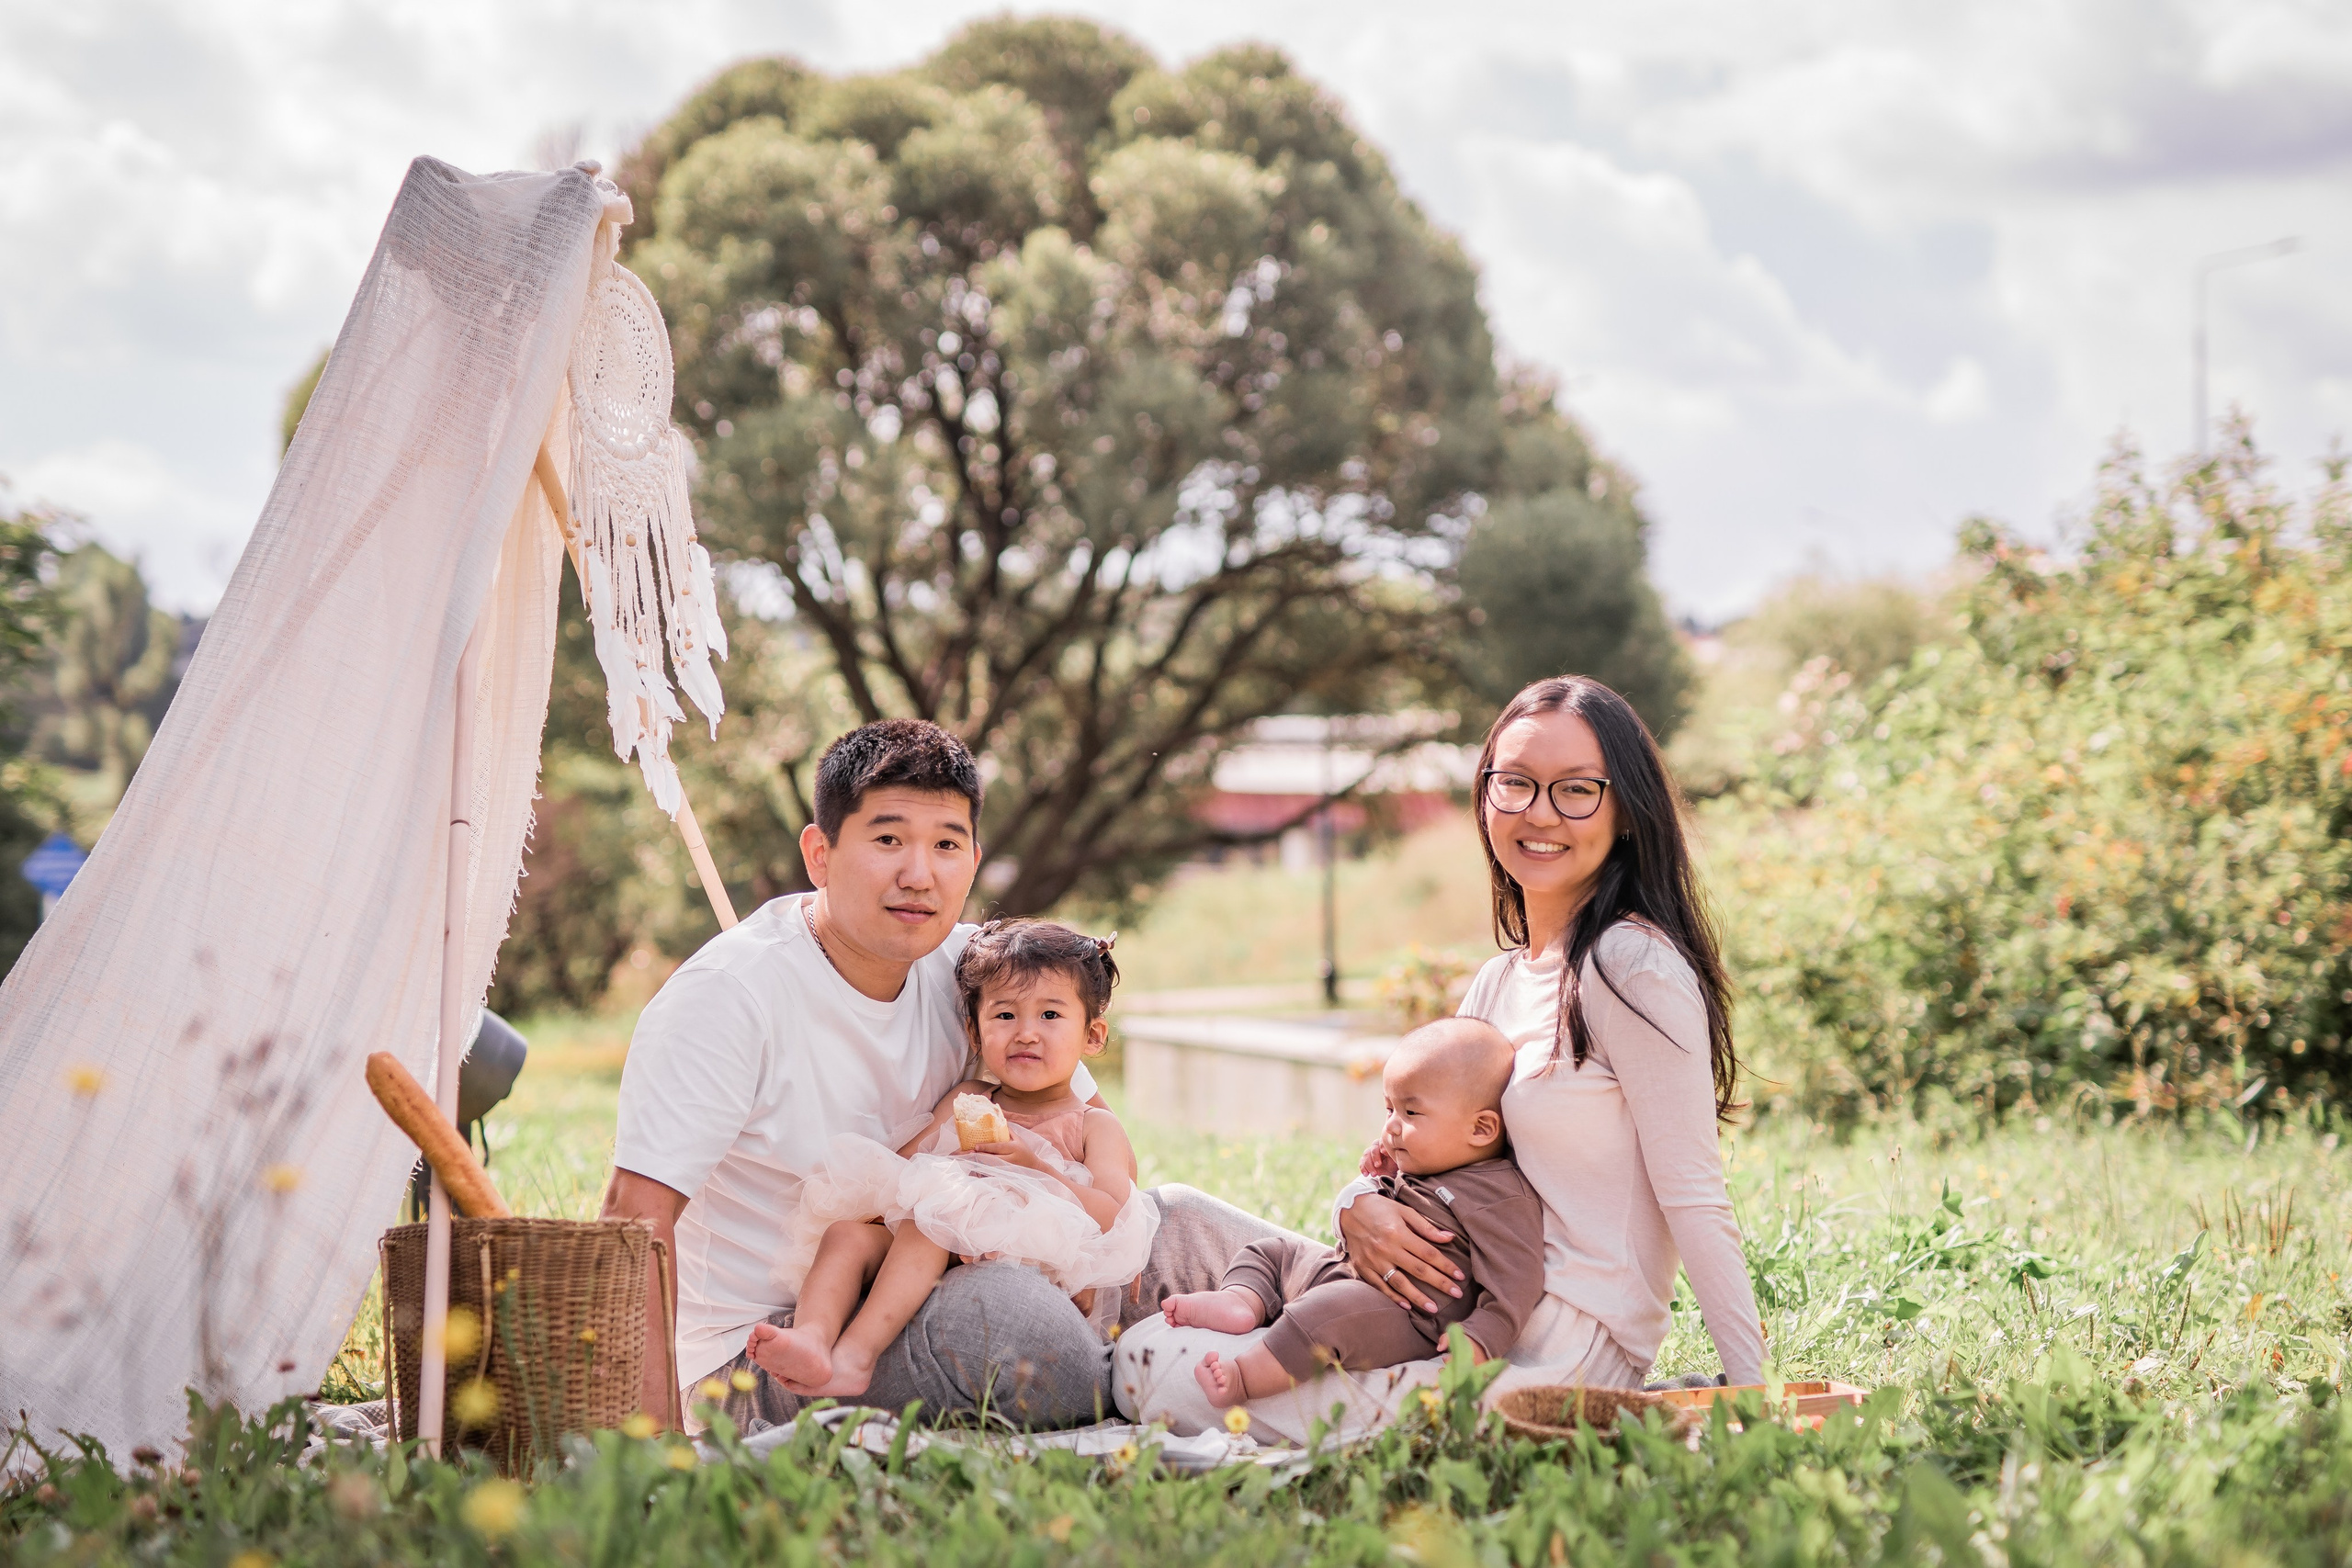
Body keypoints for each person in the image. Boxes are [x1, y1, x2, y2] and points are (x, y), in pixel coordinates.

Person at [602, 716, 1275, 1431]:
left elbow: (1084, 1134)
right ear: (819, 852)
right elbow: (632, 1220)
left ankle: (1366, 1303)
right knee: (1011, 1325)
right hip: (773, 1351)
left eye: (946, 845)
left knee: (1187, 1222)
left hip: (987, 1267)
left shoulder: (975, 973)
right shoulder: (729, 995)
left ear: (974, 860)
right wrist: (651, 1447)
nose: (919, 874)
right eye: (888, 839)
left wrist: (1098, 1235)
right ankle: (1159, 1370)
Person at [1331, 674, 1766, 1393]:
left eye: (1575, 789)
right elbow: (1426, 1152)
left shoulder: (1632, 965)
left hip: (1557, 1345)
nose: (1541, 813)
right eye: (1518, 783)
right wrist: (1355, 1203)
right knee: (1183, 1221)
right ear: (1485, 795)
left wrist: (1754, 1396)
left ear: (1625, 809)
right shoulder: (1497, 984)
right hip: (1445, 1310)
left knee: (1180, 1381)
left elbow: (1694, 1194)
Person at [747, 920, 1152, 1399]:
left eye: (1049, 1015)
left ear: (1093, 1036)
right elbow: (903, 1165)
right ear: (975, 1034)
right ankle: (812, 1337)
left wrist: (1035, 1169)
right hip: (933, 1251)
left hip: (1026, 1260)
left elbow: (1115, 1211)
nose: (1025, 1033)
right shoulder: (970, 1099)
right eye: (1004, 1016)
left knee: (933, 1222)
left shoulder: (1090, 1124)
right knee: (847, 1235)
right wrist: (940, 1167)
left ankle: (855, 1358)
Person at [1161, 1017, 1544, 1407]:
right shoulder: (1425, 1165)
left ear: (1480, 1129)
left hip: (1404, 1314)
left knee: (1325, 1318)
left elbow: (1517, 1278)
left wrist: (1481, 1339)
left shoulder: (1499, 1194)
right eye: (1389, 1108)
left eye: (1411, 1114)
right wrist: (1384, 1176)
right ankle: (1241, 1302)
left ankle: (1244, 1378)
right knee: (1272, 1251)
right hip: (1344, 1269)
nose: (1391, 1128)